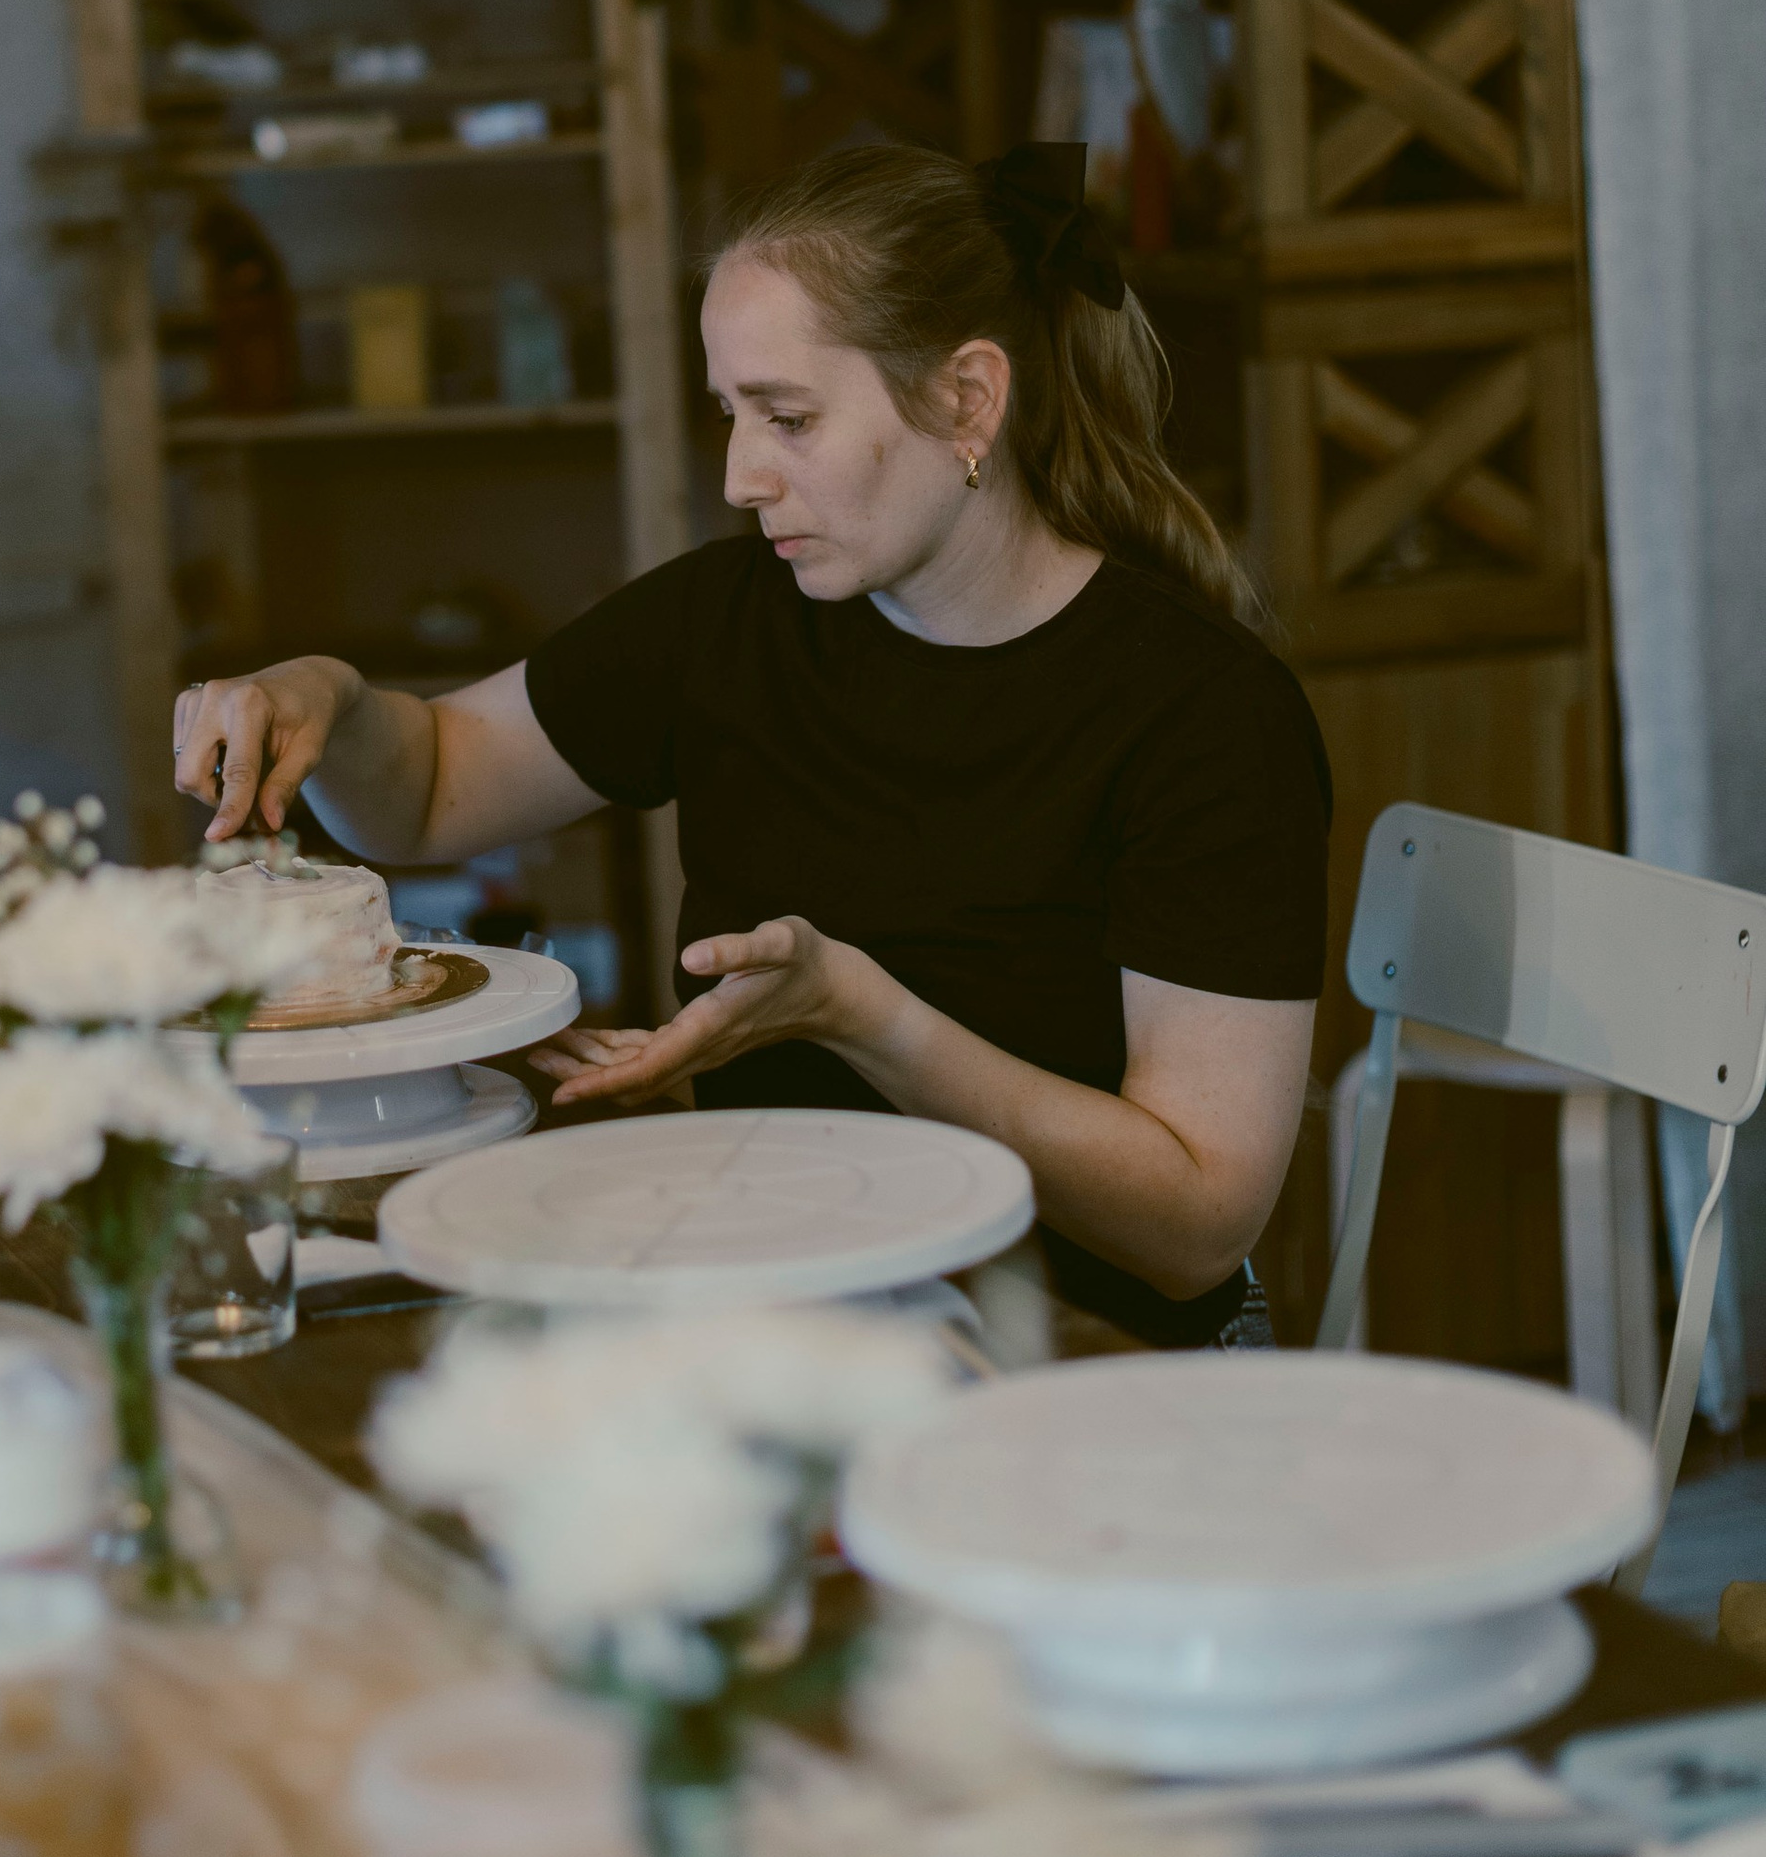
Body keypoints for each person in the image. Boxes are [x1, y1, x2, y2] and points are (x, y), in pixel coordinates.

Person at [171, 139, 1331, 1351]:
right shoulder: (733, 623)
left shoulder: (1203, 717)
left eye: (788, 418)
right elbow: (428, 792)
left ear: (966, 399)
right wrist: (333, 697)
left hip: (1071, 1353)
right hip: (765, 1297)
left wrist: (860, 1015)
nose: (737, 477)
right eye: (730, 414)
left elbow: (1196, 1224)